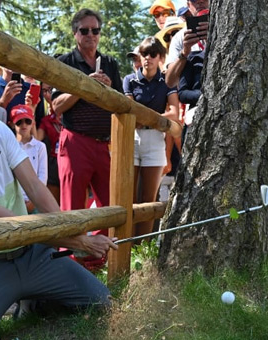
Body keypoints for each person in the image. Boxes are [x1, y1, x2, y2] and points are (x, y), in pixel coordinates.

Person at [0, 101, 118, 339]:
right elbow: (16, 225)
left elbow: (35, 188)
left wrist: (71, 232)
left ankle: (35, 299)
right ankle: (30, 298)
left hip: (34, 253)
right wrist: (81, 242)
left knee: (102, 301)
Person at [53, 8, 122, 213]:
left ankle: (105, 246)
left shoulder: (109, 63)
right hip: (76, 141)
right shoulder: (65, 63)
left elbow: (122, 104)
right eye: (84, 31)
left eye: (95, 30)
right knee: (72, 206)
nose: (91, 35)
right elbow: (56, 106)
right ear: (75, 33)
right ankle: (70, 247)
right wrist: (84, 88)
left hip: (104, 144)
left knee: (111, 206)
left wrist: (109, 90)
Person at [123, 37, 179, 240]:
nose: (148, 58)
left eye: (153, 54)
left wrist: (149, 119)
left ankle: (142, 247)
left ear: (160, 57)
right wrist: (154, 118)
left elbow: (175, 113)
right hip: (133, 140)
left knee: (148, 198)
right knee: (128, 198)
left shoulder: (167, 82)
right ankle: (125, 245)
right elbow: (129, 109)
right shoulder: (130, 79)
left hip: (156, 139)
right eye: (144, 54)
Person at [164, 0, 209, 88]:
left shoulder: (227, 28)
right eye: (194, 0)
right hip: (195, 97)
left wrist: (212, 39)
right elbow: (170, 82)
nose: (200, 2)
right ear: (188, 5)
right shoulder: (179, 37)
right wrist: (184, 53)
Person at [12, 105, 47, 214]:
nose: (24, 125)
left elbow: (42, 176)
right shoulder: (9, 146)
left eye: (27, 121)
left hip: (35, 200)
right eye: (19, 122)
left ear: (33, 123)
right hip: (14, 201)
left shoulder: (40, 146)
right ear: (12, 124)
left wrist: (33, 202)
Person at [36, 83, 62, 204]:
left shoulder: (73, 114)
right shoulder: (46, 120)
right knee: (55, 207)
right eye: (44, 91)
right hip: (53, 165)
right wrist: (31, 109)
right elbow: (36, 140)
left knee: (75, 207)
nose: (48, 94)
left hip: (73, 160)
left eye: (51, 89)